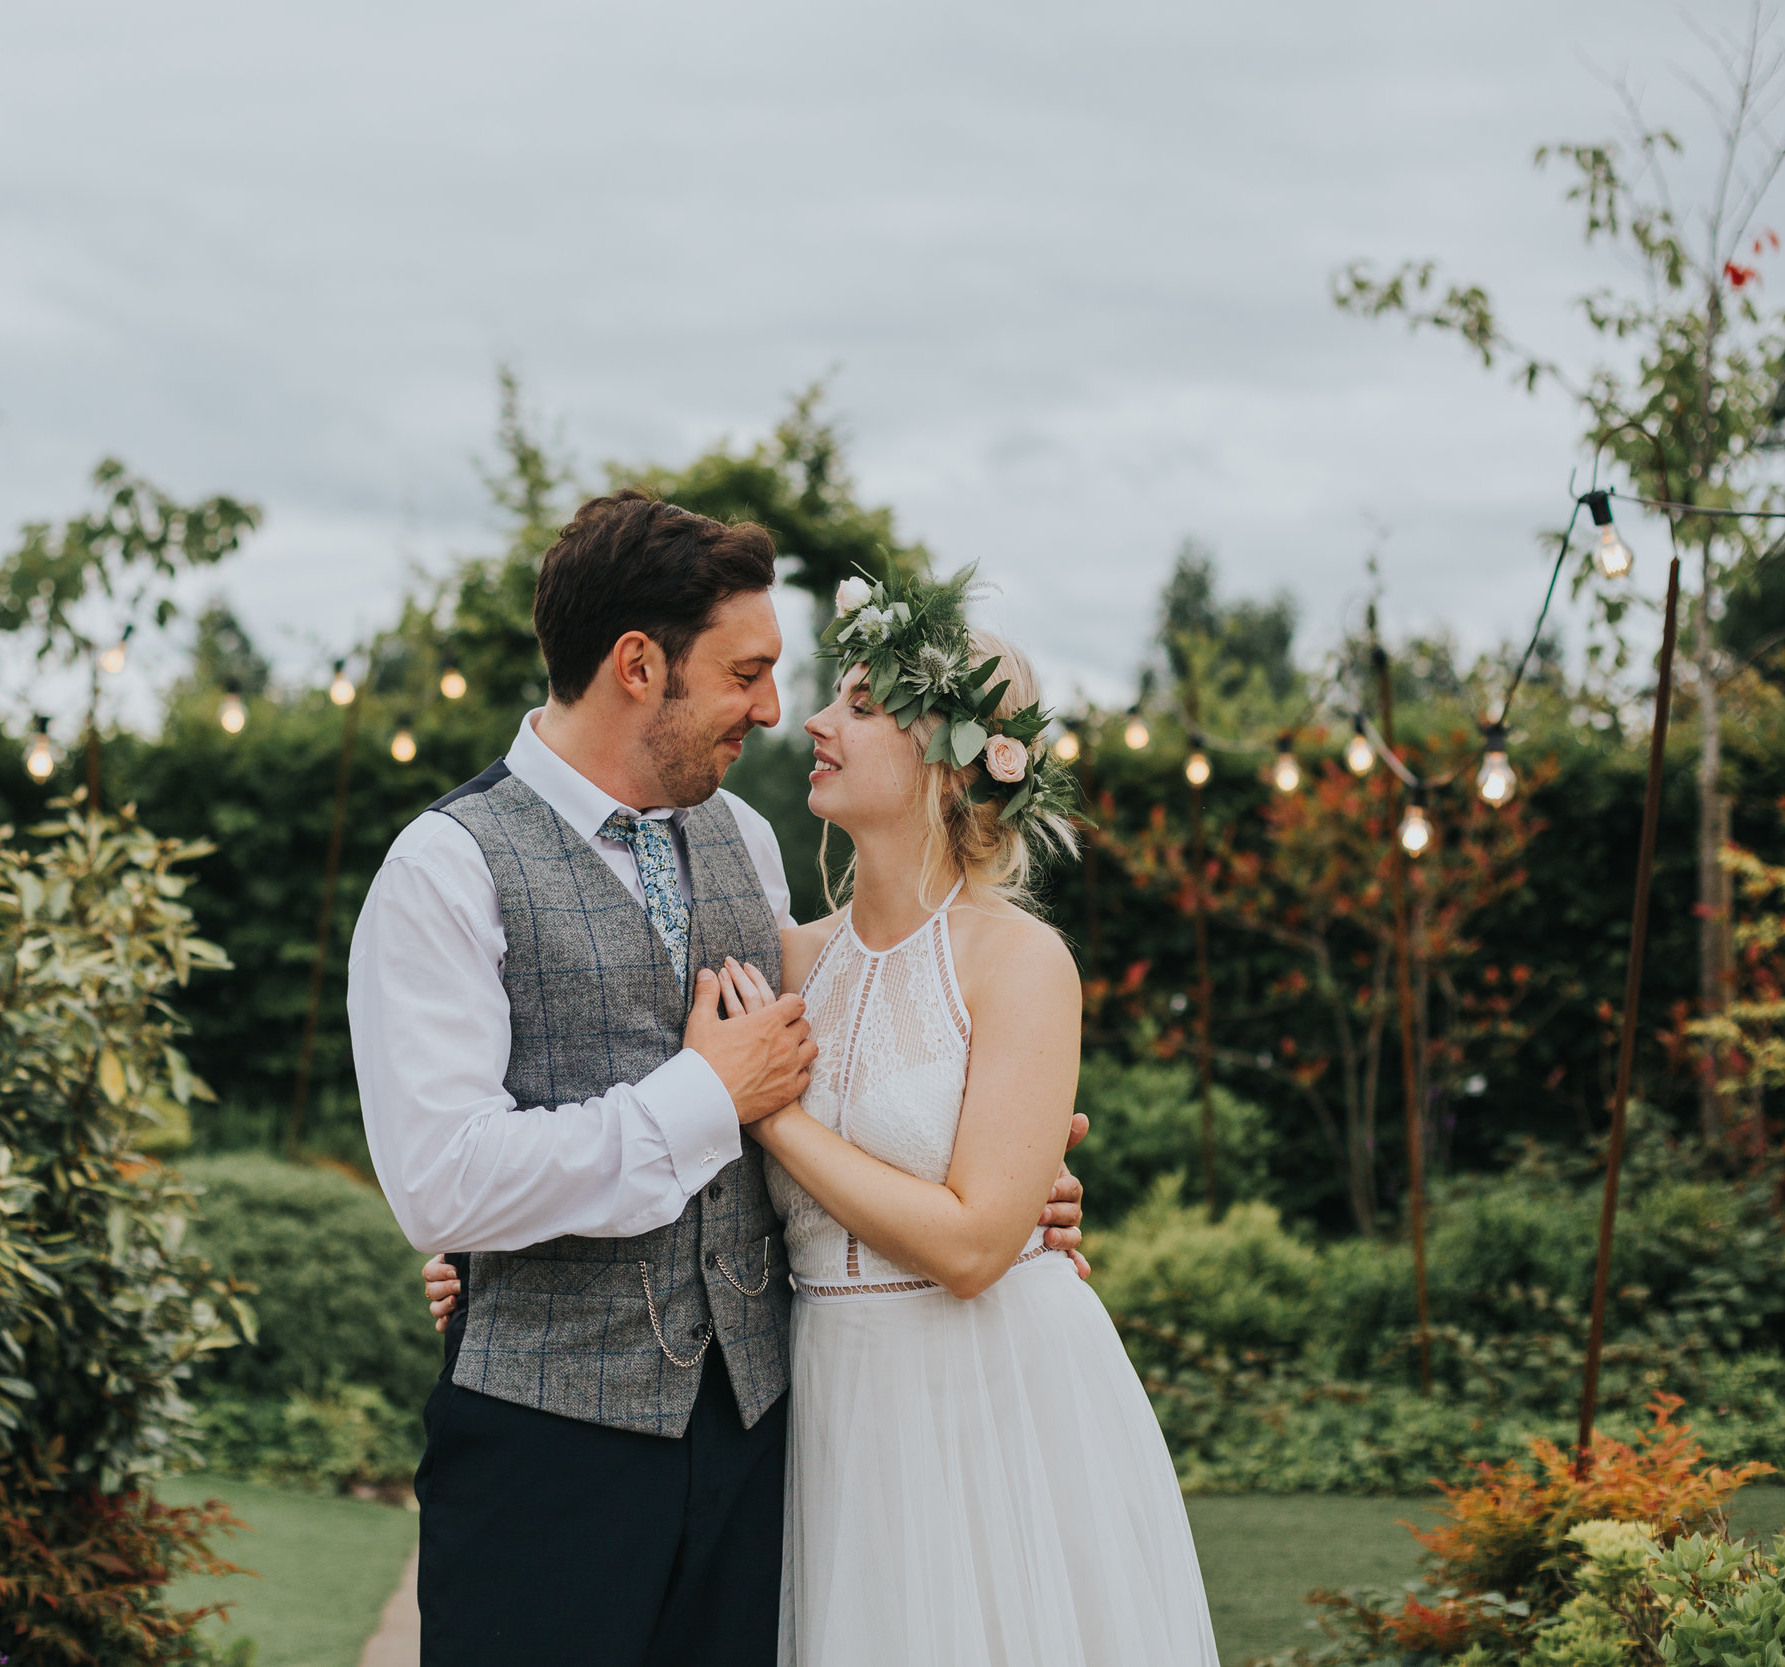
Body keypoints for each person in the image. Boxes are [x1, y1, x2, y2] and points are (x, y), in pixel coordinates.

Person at [422, 562, 1218, 1666]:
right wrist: (488, 1255)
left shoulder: (1023, 959)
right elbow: (621, 1099)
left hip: (987, 1389)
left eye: (862, 703)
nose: (813, 722)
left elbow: (975, 1238)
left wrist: (774, 1120)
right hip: (826, 1398)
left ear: (947, 763)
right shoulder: (786, 954)